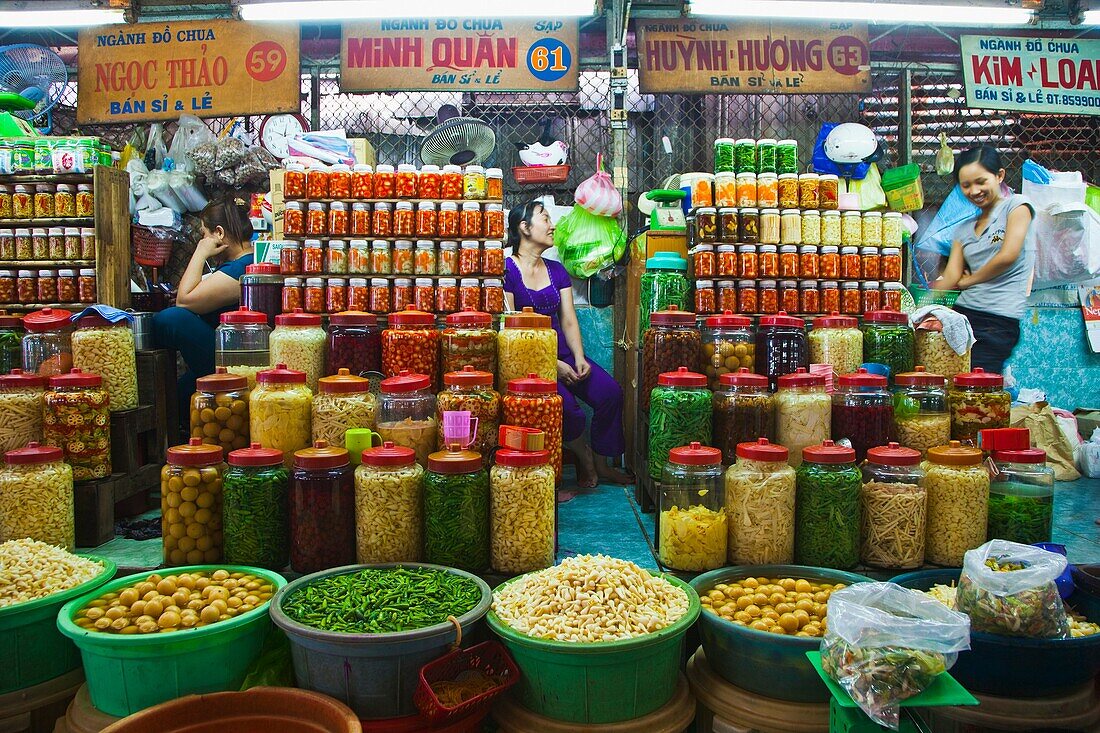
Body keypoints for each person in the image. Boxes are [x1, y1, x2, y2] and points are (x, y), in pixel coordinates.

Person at [504, 199, 633, 488]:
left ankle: (603, 464)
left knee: (610, 393)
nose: (553, 225)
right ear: (524, 228)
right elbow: (512, 331)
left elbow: (569, 320)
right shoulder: (507, 271)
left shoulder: (556, 270)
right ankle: (585, 458)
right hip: (531, 360)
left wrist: (578, 357)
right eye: (545, 218)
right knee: (567, 408)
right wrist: (554, 365)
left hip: (563, 351)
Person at [154, 197, 255, 423]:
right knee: (180, 395)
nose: (202, 240)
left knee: (170, 319)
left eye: (203, 234)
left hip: (233, 359)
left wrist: (200, 253)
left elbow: (185, 300)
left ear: (219, 233)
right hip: (225, 352)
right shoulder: (237, 263)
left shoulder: (242, 267)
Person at [937, 146, 1035, 374]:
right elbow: (952, 275)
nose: (974, 190)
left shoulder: (1018, 206)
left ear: (999, 176)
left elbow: (1007, 256)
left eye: (981, 181)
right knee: (952, 379)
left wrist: (969, 282)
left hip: (998, 320)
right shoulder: (963, 229)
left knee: (979, 385)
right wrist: (920, 299)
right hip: (963, 315)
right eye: (966, 185)